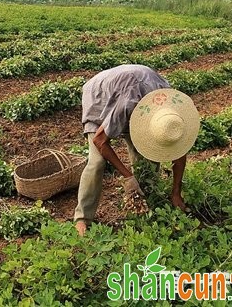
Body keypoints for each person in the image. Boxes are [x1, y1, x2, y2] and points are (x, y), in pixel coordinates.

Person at [74, 64, 200, 236]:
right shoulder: (127, 105)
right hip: (100, 95)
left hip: (134, 89)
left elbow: (179, 154)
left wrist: (176, 192)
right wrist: (128, 178)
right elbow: (100, 141)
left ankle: (145, 196)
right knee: (97, 162)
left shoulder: (171, 115)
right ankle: (82, 217)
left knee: (147, 155)